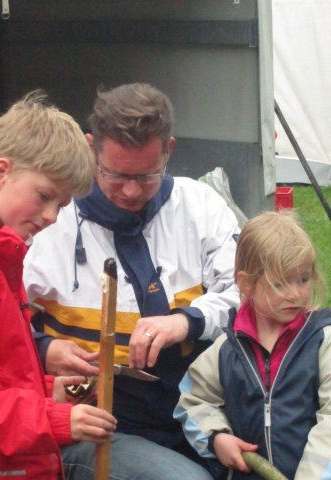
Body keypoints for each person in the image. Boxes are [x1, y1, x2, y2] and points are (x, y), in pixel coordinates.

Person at [24, 82, 241, 480]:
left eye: (146, 176)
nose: (130, 190)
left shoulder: (201, 208)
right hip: (96, 422)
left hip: (200, 409)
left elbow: (248, 296)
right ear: (91, 148)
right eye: (115, 174)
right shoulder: (48, 220)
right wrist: (43, 348)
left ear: (169, 150)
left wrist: (187, 320)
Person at [0, 90, 117, 479]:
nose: (52, 216)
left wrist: (47, 389)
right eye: (44, 196)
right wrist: (53, 418)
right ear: (1, 173)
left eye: (62, 205)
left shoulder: (3, 258)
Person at [174, 210, 331, 479]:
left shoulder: (322, 341)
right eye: (279, 283)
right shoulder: (226, 349)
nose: (295, 293)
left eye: (303, 279)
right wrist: (216, 437)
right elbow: (193, 401)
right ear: (246, 284)